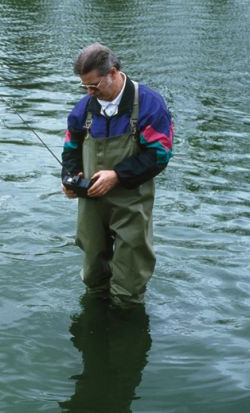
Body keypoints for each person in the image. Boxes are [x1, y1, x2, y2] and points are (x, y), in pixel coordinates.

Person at [61, 43, 173, 307]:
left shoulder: (150, 105)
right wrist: (69, 176)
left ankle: (126, 321)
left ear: (113, 72)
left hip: (131, 201)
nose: (89, 92)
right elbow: (71, 145)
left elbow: (159, 154)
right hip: (91, 201)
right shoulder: (84, 109)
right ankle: (97, 318)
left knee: (129, 284)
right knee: (93, 275)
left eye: (94, 86)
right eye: (84, 87)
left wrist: (117, 175)